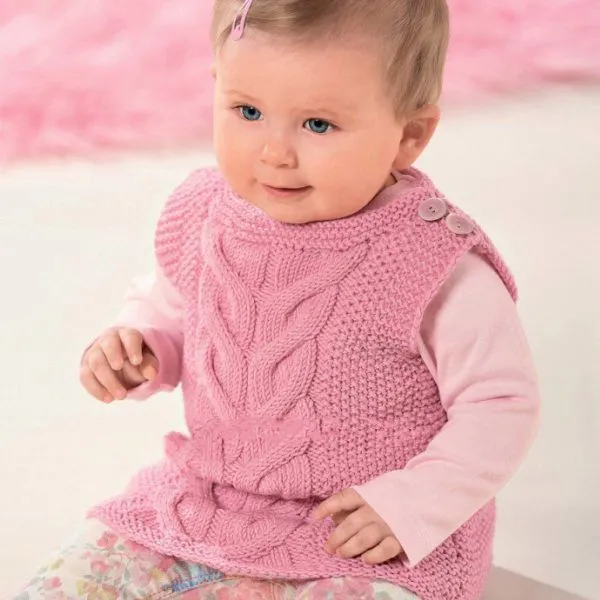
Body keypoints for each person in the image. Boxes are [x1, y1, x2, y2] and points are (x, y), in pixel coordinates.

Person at [9, 0, 540, 598]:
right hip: (209, 502)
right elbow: (172, 307)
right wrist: (140, 346)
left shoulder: (431, 263)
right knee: (71, 581)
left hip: (364, 538)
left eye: (318, 125)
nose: (274, 153)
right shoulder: (205, 215)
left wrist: (416, 503)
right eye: (248, 111)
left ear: (409, 136)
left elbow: (501, 405)